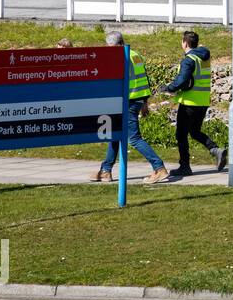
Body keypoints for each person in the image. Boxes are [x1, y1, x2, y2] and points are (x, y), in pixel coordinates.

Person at [93, 31, 169, 185]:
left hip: (128, 101)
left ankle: (159, 168)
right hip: (136, 99)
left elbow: (116, 82)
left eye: (111, 47)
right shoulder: (135, 55)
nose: (110, 50)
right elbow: (144, 79)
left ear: (119, 44)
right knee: (115, 135)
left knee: (134, 139)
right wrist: (145, 102)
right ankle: (106, 170)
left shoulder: (121, 58)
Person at [164, 30, 225, 178]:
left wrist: (169, 88)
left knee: (181, 134)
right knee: (194, 131)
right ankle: (215, 150)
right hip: (203, 101)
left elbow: (183, 80)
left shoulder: (189, 60)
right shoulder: (203, 58)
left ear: (185, 43)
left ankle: (185, 166)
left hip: (189, 102)